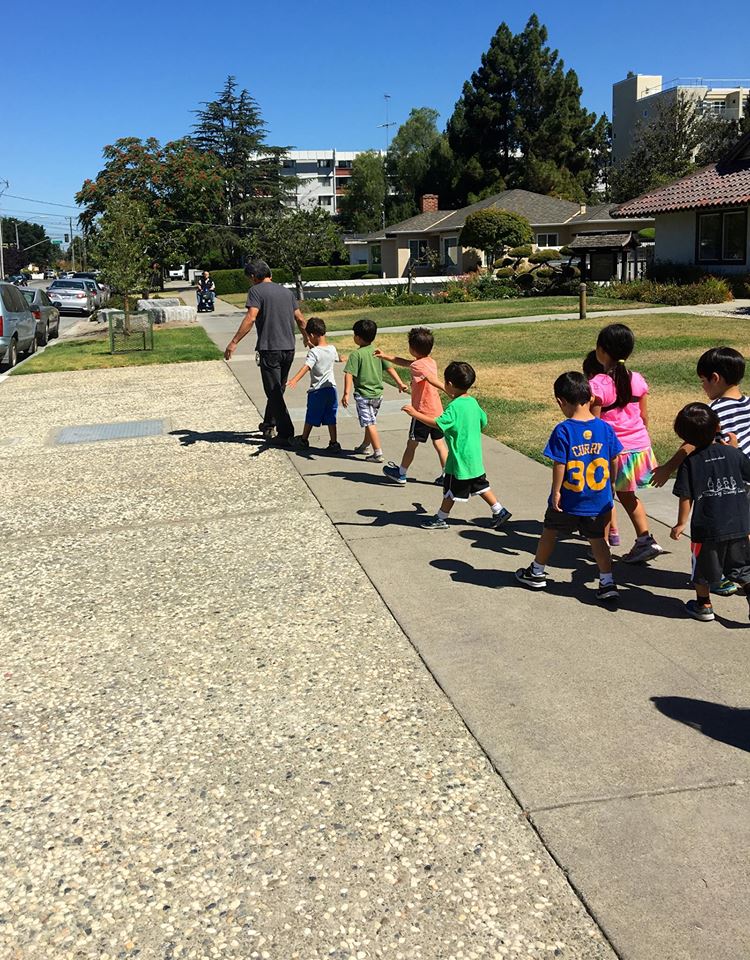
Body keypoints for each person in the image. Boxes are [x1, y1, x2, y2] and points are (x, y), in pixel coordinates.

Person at [516, 372, 622, 601]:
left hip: (568, 498)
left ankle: (536, 571)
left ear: (560, 401)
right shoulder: (605, 429)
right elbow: (615, 457)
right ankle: (607, 581)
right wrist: (612, 482)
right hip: (597, 498)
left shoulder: (563, 430)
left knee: (549, 532)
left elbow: (560, 463)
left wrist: (556, 491)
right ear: (591, 397)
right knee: (598, 541)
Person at [403, 360, 511, 530]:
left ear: (450, 384)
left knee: (450, 490)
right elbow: (483, 421)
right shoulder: (472, 402)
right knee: (481, 485)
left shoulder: (453, 407)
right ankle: (499, 510)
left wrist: (416, 414)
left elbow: (438, 423)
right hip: (474, 458)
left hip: (458, 461)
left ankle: (440, 518)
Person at [589, 323, 663, 564]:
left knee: (603, 496)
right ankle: (645, 539)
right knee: (627, 495)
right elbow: (644, 417)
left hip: (613, 451)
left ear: (601, 351)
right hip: (639, 446)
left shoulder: (599, 384)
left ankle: (601, 545)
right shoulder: (638, 380)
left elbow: (595, 423)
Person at [670, 402, 750, 622]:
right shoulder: (733, 454)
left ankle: (703, 605)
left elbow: (686, 496)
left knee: (702, 569)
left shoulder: (690, 462)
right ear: (718, 427)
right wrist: (734, 450)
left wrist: (680, 523)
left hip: (707, 529)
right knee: (743, 567)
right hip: (740, 524)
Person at [224, 260, 307, 446]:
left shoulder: (256, 291)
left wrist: (234, 342)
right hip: (289, 348)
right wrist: (307, 338)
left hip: (270, 348)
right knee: (278, 389)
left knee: (273, 390)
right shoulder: (286, 292)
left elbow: (251, 317)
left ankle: (286, 432)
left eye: (249, 278)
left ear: (254, 276)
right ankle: (269, 424)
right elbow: (300, 319)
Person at [375, 327, 448, 485]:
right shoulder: (429, 361)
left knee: (412, 444)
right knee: (440, 444)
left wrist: (445, 388)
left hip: (422, 412)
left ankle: (401, 473)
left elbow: (429, 379)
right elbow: (405, 362)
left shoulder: (417, 366)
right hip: (437, 411)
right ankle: (447, 476)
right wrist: (384, 356)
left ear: (412, 348)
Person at [342, 317, 407, 463]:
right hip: (378, 395)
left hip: (363, 395)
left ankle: (378, 453)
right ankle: (365, 445)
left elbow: (349, 374)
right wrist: (400, 383)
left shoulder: (356, 355)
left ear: (358, 337)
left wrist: (346, 393)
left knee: (370, 423)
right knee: (370, 420)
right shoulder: (377, 352)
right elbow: (389, 368)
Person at [583, 349, 620, 547]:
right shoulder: (618, 384)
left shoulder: (597, 390)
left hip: (601, 447)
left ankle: (604, 537)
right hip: (619, 443)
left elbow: (593, 422)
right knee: (609, 491)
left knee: (604, 491)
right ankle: (612, 531)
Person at [287, 316, 341, 452]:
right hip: (331, 389)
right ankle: (334, 443)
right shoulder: (332, 348)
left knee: (311, 415)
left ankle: (303, 439)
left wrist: (294, 379)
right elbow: (337, 358)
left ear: (311, 335)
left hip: (317, 391)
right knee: (331, 416)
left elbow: (307, 367)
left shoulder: (313, 352)